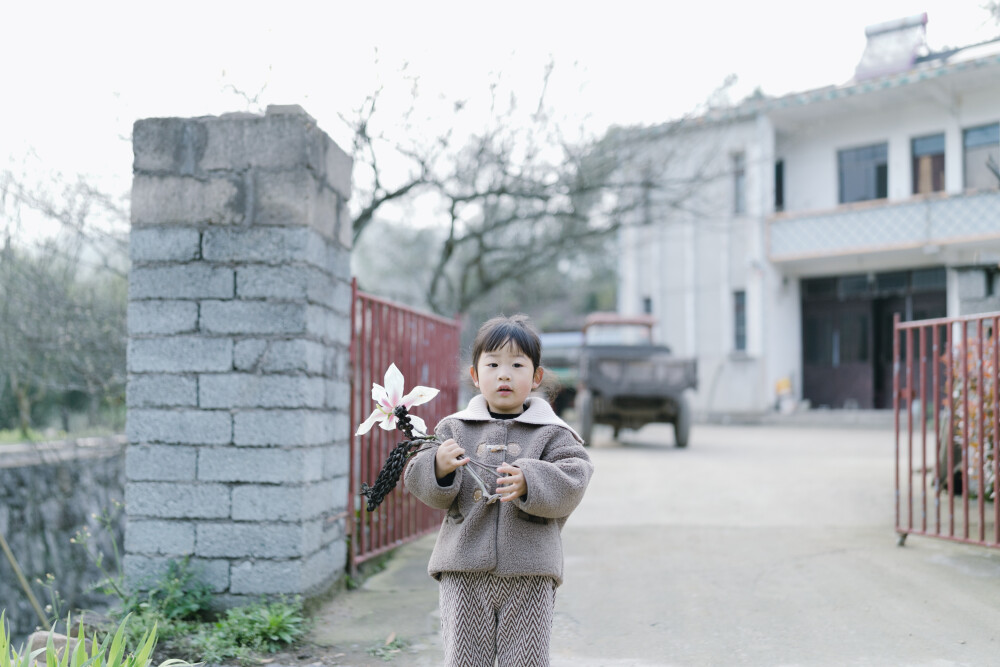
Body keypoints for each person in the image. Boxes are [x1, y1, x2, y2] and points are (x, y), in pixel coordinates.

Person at [404, 314, 594, 667]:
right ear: (476, 376)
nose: (504, 374)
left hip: (530, 573)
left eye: (517, 364)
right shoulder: (453, 428)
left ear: (536, 377)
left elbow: (576, 477)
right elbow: (419, 479)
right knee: (464, 660)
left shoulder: (552, 433)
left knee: (525, 660)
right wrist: (438, 467)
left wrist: (530, 480)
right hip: (463, 571)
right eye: (492, 364)